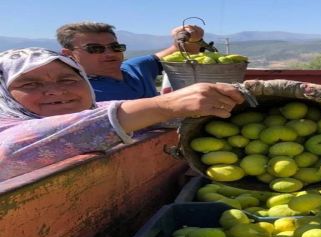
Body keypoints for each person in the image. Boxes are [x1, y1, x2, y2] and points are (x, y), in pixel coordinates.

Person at [0, 48, 245, 182]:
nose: (55, 90)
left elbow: (153, 115)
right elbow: (12, 149)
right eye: (29, 84)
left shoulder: (97, 109)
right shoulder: (5, 126)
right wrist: (166, 104)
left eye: (67, 79)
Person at [56, 21, 206, 101]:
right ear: (69, 55)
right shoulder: (74, 93)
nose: (109, 53)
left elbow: (181, 49)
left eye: (115, 47)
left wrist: (191, 35)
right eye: (95, 49)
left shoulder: (137, 67)